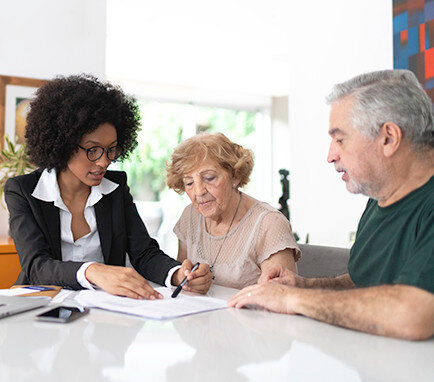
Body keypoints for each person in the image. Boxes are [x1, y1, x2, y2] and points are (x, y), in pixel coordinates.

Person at [228, 69, 434, 340]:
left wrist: (292, 301)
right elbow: (364, 283)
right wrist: (302, 287)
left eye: (340, 139)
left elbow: (414, 315)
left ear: (388, 138)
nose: (330, 155)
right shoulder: (379, 198)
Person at [5, 74, 209, 299]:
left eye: (111, 149)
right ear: (63, 144)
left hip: (104, 311)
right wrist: (93, 271)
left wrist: (177, 274)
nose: (104, 161)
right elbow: (37, 266)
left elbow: (143, 253)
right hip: (43, 308)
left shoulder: (116, 188)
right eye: (93, 150)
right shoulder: (23, 190)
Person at [166, 132, 300, 290]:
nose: (199, 191)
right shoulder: (190, 216)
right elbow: (182, 284)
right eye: (189, 183)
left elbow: (284, 295)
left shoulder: (269, 224)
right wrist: (188, 279)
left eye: (209, 178)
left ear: (235, 176)